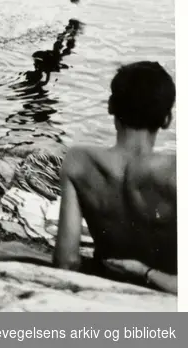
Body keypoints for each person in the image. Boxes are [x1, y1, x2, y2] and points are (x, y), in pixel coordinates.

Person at [53, 61, 176, 293]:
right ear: (167, 119)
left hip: (105, 289)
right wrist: (145, 273)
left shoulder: (79, 161)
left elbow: (65, 262)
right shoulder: (176, 172)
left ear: (111, 106)